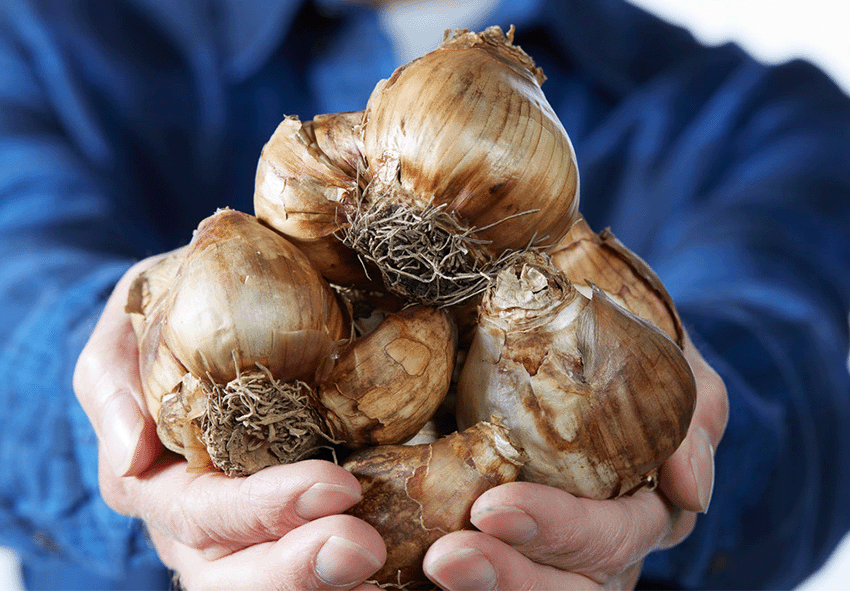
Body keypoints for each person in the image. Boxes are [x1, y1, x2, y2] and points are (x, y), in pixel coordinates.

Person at [1, 0, 848, 589]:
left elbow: (796, 371)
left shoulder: (779, 120)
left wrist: (672, 439)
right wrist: (131, 375)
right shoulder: (36, 38)